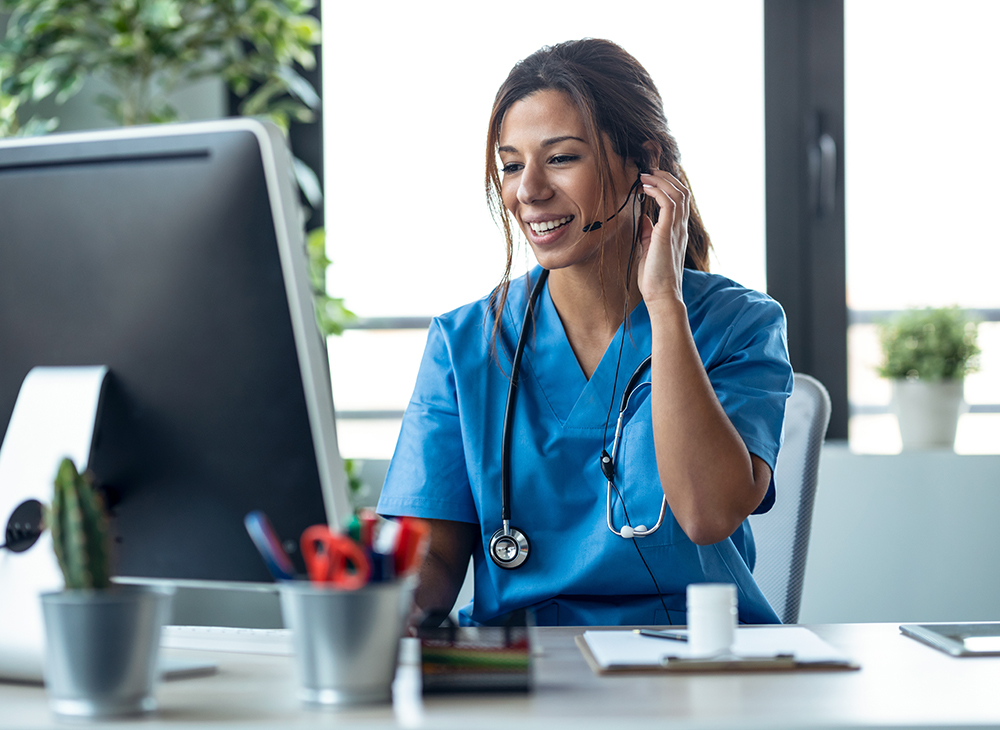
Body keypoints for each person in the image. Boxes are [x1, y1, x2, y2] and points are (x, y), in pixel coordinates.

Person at [377, 39, 793, 627]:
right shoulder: (465, 341)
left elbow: (707, 515)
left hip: (688, 665)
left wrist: (665, 304)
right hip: (522, 675)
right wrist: (386, 605)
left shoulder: (737, 324)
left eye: (562, 158)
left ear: (644, 165)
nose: (529, 192)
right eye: (512, 165)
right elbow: (434, 553)